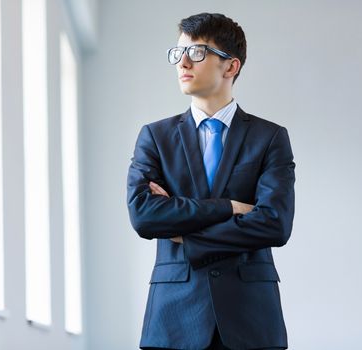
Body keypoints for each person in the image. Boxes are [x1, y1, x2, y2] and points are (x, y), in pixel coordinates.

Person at [127, 12, 295, 350]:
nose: (183, 62)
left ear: (231, 67)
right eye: (178, 53)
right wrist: (229, 208)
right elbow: (145, 216)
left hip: (251, 316)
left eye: (198, 52)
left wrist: (185, 237)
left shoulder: (270, 137)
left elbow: (275, 225)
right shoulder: (155, 137)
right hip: (174, 316)